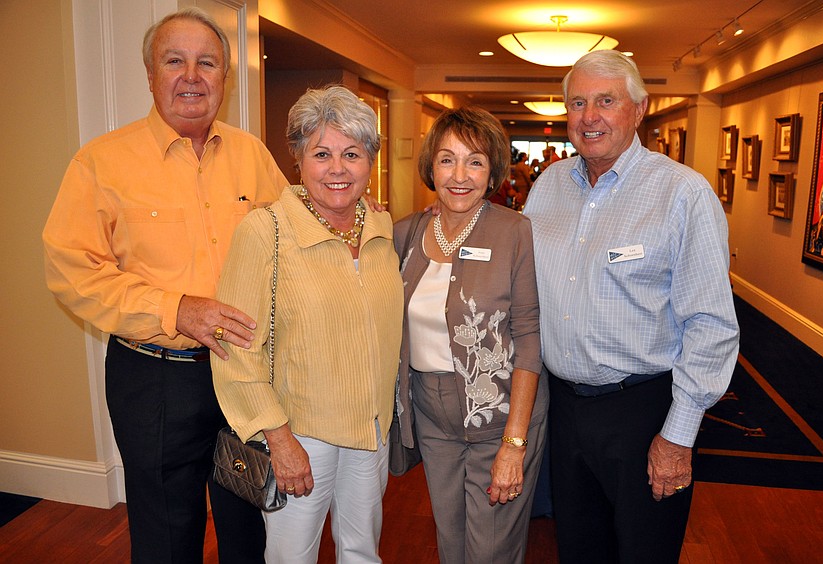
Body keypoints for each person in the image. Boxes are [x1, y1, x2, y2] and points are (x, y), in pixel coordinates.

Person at [42, 8, 288, 563]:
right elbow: (72, 270)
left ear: (225, 78)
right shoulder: (101, 162)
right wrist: (175, 309)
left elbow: (291, 243)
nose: (192, 76)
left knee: (249, 531)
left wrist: (352, 216)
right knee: (166, 539)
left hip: (245, 374)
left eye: (207, 63)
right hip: (155, 380)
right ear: (151, 74)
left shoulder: (252, 155)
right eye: (174, 61)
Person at [523, 50, 740, 563]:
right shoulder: (549, 185)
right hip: (564, 409)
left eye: (606, 101)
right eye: (578, 103)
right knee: (578, 549)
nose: (589, 117)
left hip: (644, 413)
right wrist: (444, 219)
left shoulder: (682, 193)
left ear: (639, 110)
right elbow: (515, 272)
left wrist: (678, 436)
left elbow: (711, 325)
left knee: (645, 552)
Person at [211, 85, 403, 563]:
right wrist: (278, 438)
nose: (338, 168)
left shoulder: (381, 228)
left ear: (370, 162)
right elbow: (235, 349)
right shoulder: (266, 231)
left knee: (362, 552)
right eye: (321, 154)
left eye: (352, 154)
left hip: (371, 430)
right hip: (301, 434)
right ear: (297, 159)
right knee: (292, 557)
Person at [394, 106, 547, 563]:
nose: (459, 176)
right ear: (431, 167)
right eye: (447, 160)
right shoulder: (404, 233)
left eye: (474, 161)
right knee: (451, 542)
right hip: (432, 418)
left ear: (493, 171)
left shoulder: (514, 232)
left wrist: (514, 444)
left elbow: (529, 339)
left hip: (501, 418)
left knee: (491, 551)